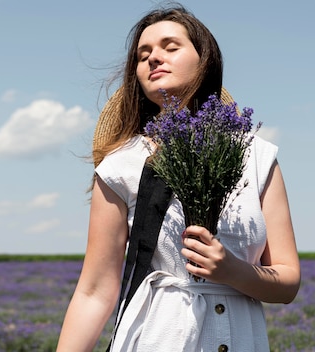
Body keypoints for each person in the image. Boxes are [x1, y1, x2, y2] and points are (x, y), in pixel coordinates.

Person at [57, 4, 300, 352]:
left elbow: (287, 281)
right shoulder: (120, 166)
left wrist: (231, 270)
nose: (154, 58)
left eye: (170, 47)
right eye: (143, 55)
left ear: (204, 59)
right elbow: (95, 291)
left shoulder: (257, 157)